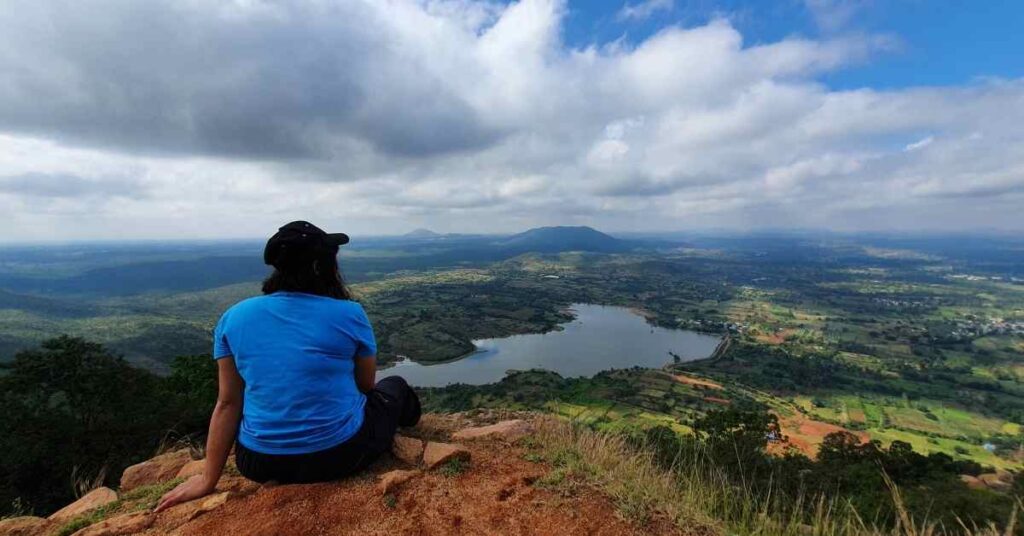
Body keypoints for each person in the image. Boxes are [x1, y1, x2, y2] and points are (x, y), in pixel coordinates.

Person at [155, 221, 420, 512]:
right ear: (321, 267)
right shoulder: (349, 313)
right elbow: (366, 386)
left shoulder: (234, 317)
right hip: (338, 455)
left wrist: (208, 479)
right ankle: (414, 427)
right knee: (394, 387)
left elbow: (228, 402)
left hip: (257, 461)